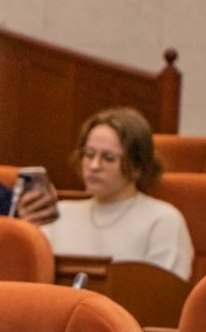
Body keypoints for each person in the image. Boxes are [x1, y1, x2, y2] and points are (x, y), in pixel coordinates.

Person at [42, 107, 193, 281]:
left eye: (108, 158)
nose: (94, 166)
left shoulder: (163, 220)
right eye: (89, 154)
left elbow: (163, 296)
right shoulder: (58, 214)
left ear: (137, 167)